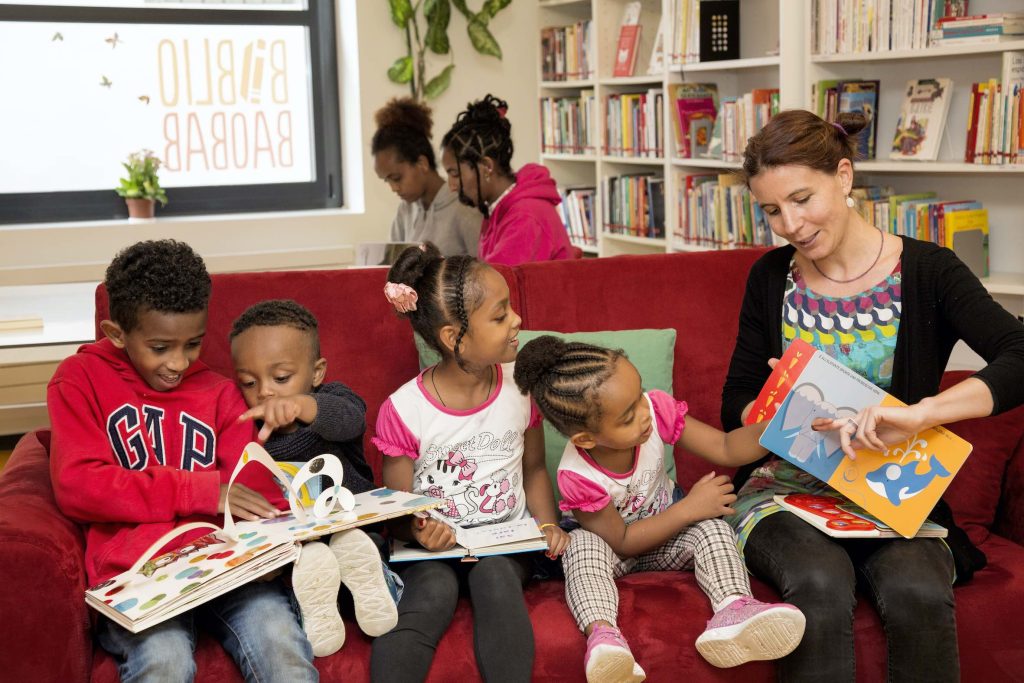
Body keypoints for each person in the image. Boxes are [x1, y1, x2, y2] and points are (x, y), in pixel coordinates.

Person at [721, 109, 1024, 682]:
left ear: (843, 175)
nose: (790, 224)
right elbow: (735, 398)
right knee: (817, 582)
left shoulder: (929, 271)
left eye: (802, 198)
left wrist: (918, 416)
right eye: (771, 210)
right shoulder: (770, 279)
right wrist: (781, 403)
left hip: (894, 491)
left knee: (917, 589)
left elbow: (1019, 354)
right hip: (784, 494)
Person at [47, 240, 317, 683]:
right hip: (139, 577)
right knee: (164, 659)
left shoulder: (220, 393)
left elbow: (257, 493)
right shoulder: (80, 380)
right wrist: (201, 490)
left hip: (227, 570)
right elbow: (79, 485)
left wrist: (269, 549)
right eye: (160, 347)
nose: (178, 362)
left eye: (192, 344)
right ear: (116, 334)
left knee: (280, 643)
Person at [513, 336, 805, 682]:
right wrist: (690, 508)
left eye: (639, 396)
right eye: (626, 417)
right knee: (581, 545)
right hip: (614, 552)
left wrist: (780, 425)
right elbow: (621, 540)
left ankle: (734, 610)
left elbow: (726, 447)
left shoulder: (655, 411)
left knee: (713, 529)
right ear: (586, 439)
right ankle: (605, 637)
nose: (643, 415)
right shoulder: (577, 476)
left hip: (666, 544)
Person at [369, 242, 570, 682]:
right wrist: (421, 529)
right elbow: (397, 510)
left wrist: (548, 524)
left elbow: (534, 469)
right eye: (499, 316)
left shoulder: (521, 387)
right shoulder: (405, 410)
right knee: (432, 592)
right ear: (452, 336)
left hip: (505, 544)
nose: (517, 320)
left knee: (496, 579)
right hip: (431, 553)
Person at [229, 299, 401, 657]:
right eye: (248, 381)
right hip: (298, 554)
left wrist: (303, 407)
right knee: (303, 567)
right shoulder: (248, 431)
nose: (264, 391)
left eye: (280, 378)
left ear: (317, 372)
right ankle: (315, 615)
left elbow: (350, 419)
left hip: (353, 531)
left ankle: (381, 585)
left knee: (357, 546)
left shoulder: (333, 400)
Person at [440, 93, 572, 266]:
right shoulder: (498, 209)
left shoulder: (526, 216)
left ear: (487, 166)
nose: (451, 186)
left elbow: (494, 286)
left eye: (455, 174)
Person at [372, 97, 481, 257]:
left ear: (422, 163)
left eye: (396, 178)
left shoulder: (464, 207)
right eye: (387, 180)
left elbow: (486, 273)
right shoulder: (405, 210)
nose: (394, 188)